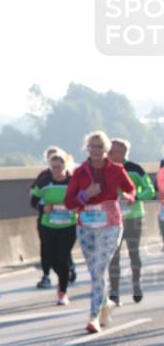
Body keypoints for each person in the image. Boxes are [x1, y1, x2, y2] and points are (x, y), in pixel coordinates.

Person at [64, 131, 135, 333]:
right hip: (86, 225)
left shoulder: (117, 170)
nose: (95, 150)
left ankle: (93, 317)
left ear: (106, 150)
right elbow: (69, 203)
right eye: (92, 146)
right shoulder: (79, 172)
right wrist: (86, 194)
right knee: (95, 271)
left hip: (111, 224)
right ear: (87, 149)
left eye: (99, 147)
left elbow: (130, 189)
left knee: (99, 269)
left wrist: (128, 197)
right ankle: (105, 304)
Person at [107, 138, 156, 304]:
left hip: (133, 217)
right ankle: (114, 292)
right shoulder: (104, 169)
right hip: (113, 219)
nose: (111, 153)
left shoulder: (135, 169)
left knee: (133, 253)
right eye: (110, 150)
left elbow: (150, 190)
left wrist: (135, 197)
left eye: (115, 151)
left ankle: (136, 284)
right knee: (113, 255)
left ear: (123, 152)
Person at [30, 151, 77, 305]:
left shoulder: (73, 181)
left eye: (59, 167)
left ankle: (62, 292)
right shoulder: (44, 181)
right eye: (53, 167)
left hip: (69, 225)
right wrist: (43, 207)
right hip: (48, 225)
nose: (56, 170)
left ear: (66, 166)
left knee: (62, 258)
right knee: (50, 259)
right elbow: (34, 201)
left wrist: (76, 207)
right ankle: (64, 275)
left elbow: (82, 198)